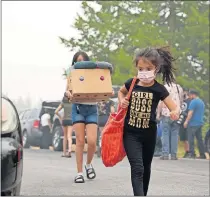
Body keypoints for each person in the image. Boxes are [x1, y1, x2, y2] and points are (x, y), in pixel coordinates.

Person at [118, 46, 180, 196]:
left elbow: (174, 107)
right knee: (137, 167)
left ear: (156, 68)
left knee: (146, 167)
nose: (144, 72)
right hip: (131, 133)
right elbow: (121, 92)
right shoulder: (132, 83)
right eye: (141, 68)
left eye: (148, 68)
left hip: (149, 134)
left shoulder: (159, 89)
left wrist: (174, 113)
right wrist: (122, 101)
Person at [65, 51, 98, 183]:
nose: (80, 63)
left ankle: (88, 165)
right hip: (77, 108)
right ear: (74, 62)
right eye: (78, 61)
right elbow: (67, 89)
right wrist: (68, 94)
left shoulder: (93, 73)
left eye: (83, 60)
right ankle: (79, 173)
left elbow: (101, 85)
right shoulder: (71, 73)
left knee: (91, 141)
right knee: (79, 141)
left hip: (91, 108)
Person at [157, 82, 183, 160]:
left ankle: (165, 154)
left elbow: (161, 102)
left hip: (166, 113)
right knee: (175, 135)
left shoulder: (163, 87)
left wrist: (158, 113)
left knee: (165, 134)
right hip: (176, 113)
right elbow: (181, 101)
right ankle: (173, 155)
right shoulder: (179, 88)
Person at [184, 89, 206, 159]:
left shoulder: (193, 102)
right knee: (199, 139)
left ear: (193, 94)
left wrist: (186, 121)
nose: (189, 96)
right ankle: (202, 154)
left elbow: (190, 112)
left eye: (189, 95)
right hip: (200, 123)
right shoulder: (201, 102)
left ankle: (192, 153)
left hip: (193, 123)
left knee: (191, 139)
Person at [178, 88, 191, 158]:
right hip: (180, 121)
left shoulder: (190, 101)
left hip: (187, 121)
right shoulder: (181, 101)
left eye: (184, 92)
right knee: (183, 138)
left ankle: (189, 152)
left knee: (187, 138)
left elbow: (191, 112)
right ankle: (186, 151)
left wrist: (187, 120)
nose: (183, 94)